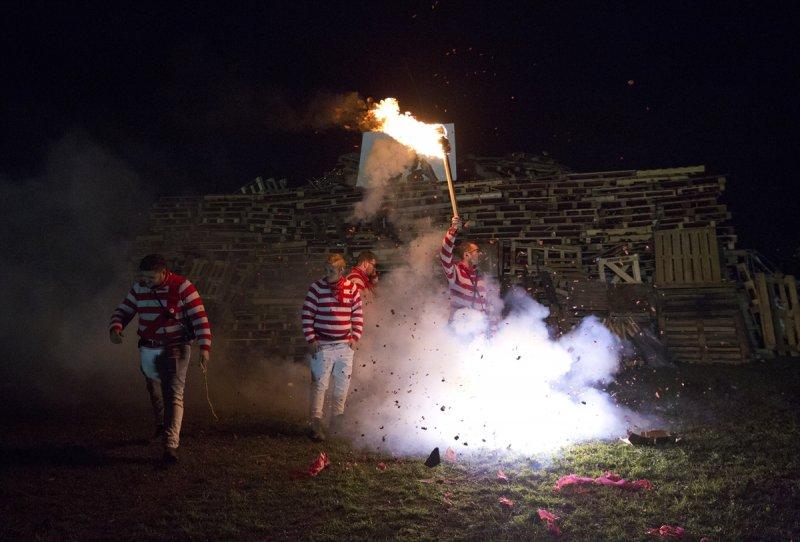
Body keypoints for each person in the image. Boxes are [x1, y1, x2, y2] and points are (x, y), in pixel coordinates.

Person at [108, 254, 211, 463]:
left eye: (150, 277)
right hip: (148, 347)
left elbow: (200, 317)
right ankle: (163, 425)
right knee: (154, 390)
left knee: (174, 393)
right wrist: (116, 327)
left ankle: (170, 445)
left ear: (163, 272)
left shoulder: (183, 287)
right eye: (142, 276)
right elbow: (123, 310)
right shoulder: (139, 289)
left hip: (176, 347)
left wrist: (204, 347)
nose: (145, 281)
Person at [301, 253, 363, 441]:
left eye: (331, 270)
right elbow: (307, 315)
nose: (328, 274)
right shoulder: (316, 288)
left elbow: (357, 314)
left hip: (345, 346)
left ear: (341, 270)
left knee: (342, 385)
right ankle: (316, 423)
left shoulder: (351, 289)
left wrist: (355, 337)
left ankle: (337, 422)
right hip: (323, 346)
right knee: (320, 385)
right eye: (326, 270)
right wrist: (312, 340)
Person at [440, 216, 489, 317]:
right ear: (467, 255)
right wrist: (453, 230)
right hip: (460, 329)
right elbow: (444, 254)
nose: (479, 254)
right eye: (476, 251)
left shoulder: (479, 277)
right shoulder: (455, 272)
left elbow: (484, 306)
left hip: (479, 329)